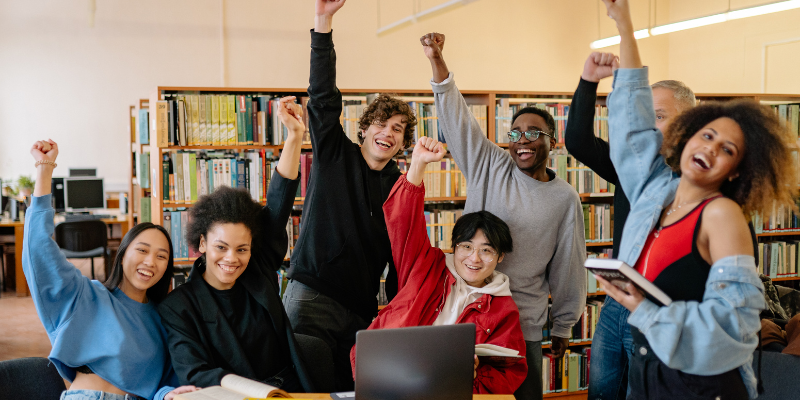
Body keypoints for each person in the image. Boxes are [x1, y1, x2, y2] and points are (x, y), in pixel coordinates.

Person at [596, 0, 799, 398]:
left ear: (738, 171)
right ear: (687, 136)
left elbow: (736, 326)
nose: (710, 148)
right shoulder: (657, 190)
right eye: (707, 135)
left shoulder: (722, 214)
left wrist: (646, 310)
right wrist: (624, 24)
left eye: (727, 149)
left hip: (699, 384)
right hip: (649, 368)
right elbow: (633, 130)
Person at [420, 32, 586, 400]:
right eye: (515, 132)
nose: (522, 140)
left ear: (552, 143)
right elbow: (458, 119)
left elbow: (569, 264)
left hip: (521, 323)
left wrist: (563, 325)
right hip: (466, 311)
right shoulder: (489, 164)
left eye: (533, 132)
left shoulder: (564, 198)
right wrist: (437, 60)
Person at [282, 0, 418, 391]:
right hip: (311, 297)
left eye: (397, 129)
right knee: (303, 390)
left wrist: (394, 314)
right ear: (363, 130)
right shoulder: (333, 153)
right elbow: (322, 95)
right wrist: (322, 23)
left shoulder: (400, 187)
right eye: (380, 123)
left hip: (361, 310)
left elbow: (400, 256)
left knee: (353, 392)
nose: (387, 133)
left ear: (402, 143)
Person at [158, 97, 316, 392]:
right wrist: (251, 389)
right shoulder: (178, 306)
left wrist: (295, 137)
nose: (231, 259)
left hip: (292, 389)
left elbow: (279, 204)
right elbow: (193, 370)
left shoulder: (259, 269)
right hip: (235, 396)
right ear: (202, 243)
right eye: (221, 247)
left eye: (241, 249)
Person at [563, 53, 696, 400]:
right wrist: (589, 80)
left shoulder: (701, 183)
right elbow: (577, 141)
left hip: (660, 308)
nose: (650, 126)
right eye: (644, 117)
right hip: (616, 305)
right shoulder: (630, 169)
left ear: (691, 122)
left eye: (661, 116)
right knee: (602, 393)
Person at [349, 136, 527, 394]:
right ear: (454, 247)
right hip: (390, 377)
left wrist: (471, 379)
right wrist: (418, 163)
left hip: (451, 392)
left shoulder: (503, 307)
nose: (474, 259)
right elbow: (404, 221)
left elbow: (509, 372)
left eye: (486, 251)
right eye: (466, 247)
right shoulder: (425, 266)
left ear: (500, 257)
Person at [23, 139, 196, 400]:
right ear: (123, 252)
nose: (150, 261)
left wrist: (167, 396)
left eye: (162, 256)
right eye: (142, 250)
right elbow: (38, 248)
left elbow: (163, 385)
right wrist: (44, 168)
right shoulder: (85, 296)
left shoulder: (164, 319)